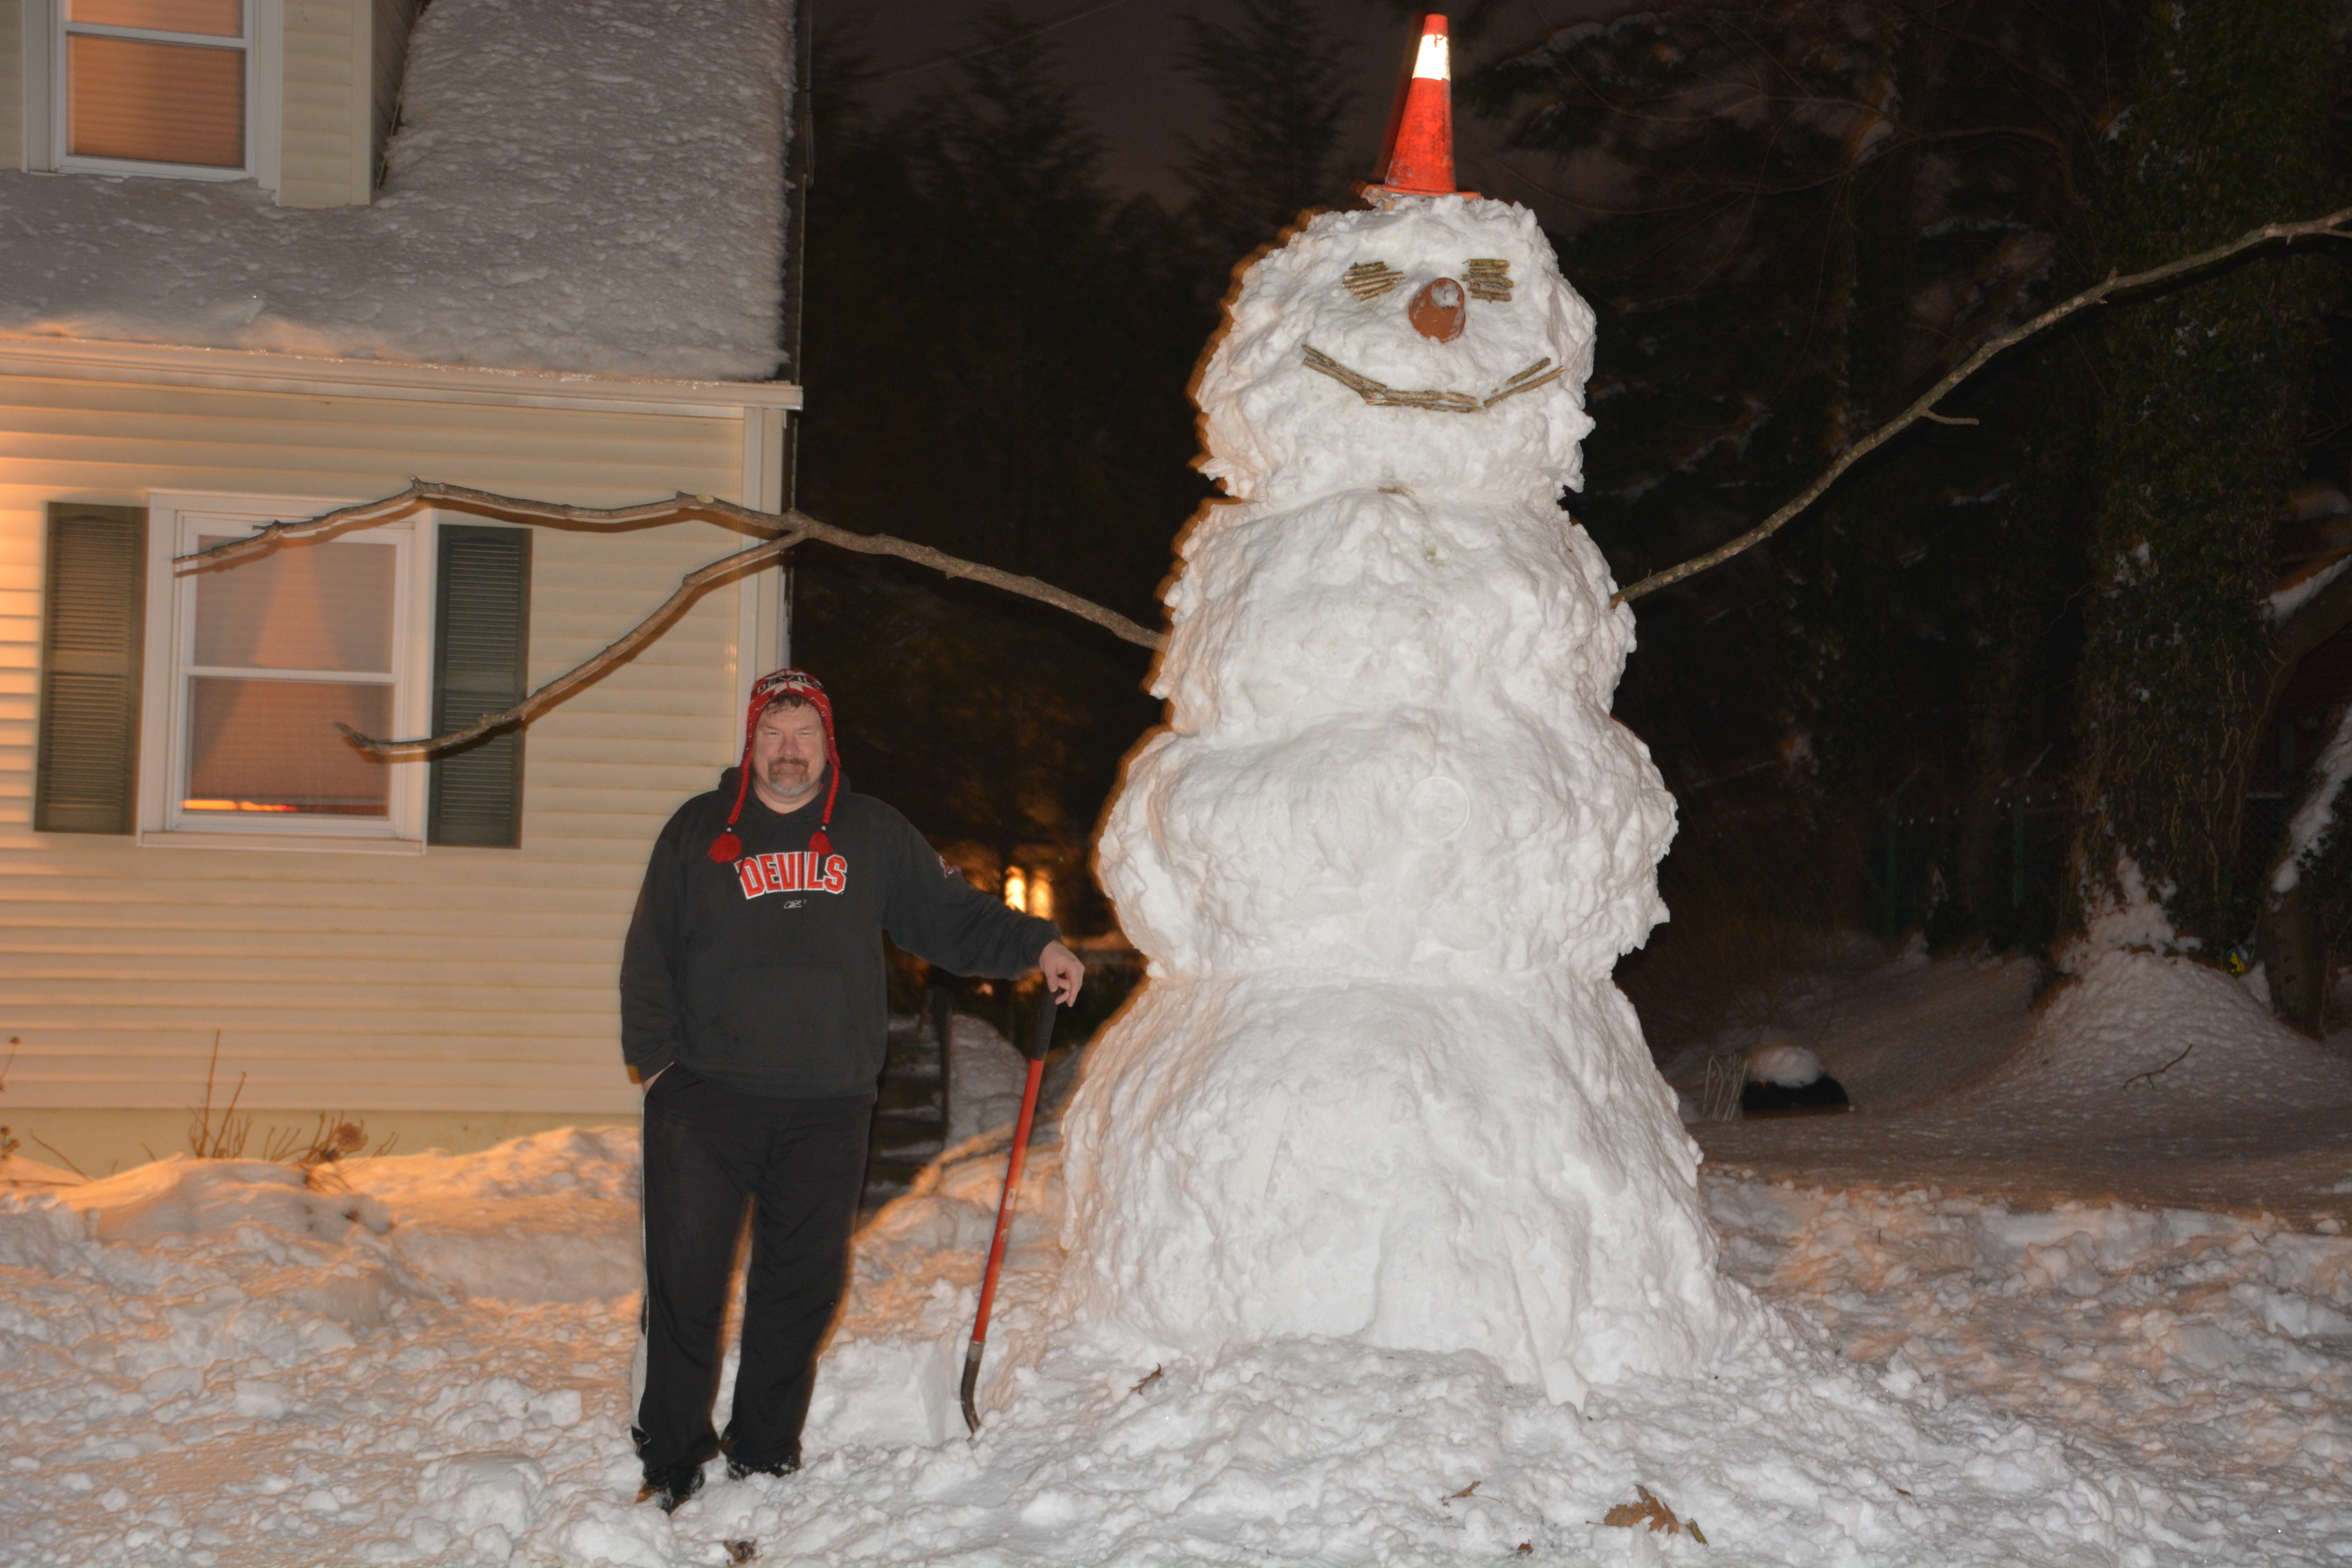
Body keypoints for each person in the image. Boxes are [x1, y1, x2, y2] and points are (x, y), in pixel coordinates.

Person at [619, 667, 1083, 1511]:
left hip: (829, 1103)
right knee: (686, 1282)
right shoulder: (696, 830)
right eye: (774, 733)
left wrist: (1037, 943)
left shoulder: (871, 833)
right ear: (751, 740)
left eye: (805, 735)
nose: (788, 751)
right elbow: (648, 953)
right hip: (704, 1102)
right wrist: (658, 1067)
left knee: (801, 1284)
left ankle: (763, 1450)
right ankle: (674, 1453)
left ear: (829, 744)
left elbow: (952, 916)